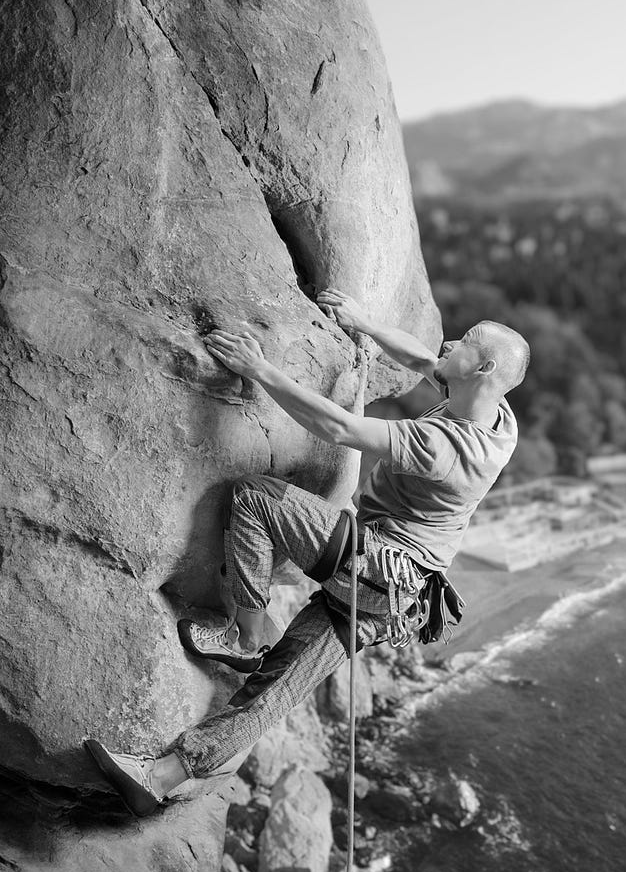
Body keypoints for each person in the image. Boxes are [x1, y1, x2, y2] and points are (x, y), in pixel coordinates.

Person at [84, 289, 526, 817]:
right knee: (276, 690)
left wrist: (261, 369)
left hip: (376, 567)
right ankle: (157, 779)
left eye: (467, 341)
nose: (452, 341)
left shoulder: (446, 448)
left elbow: (339, 429)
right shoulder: (495, 417)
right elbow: (422, 359)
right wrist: (366, 321)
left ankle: (244, 636)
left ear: (485, 367)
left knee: (257, 497)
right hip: (397, 596)